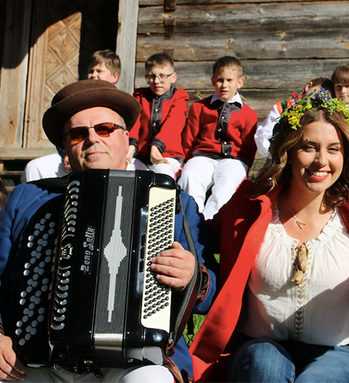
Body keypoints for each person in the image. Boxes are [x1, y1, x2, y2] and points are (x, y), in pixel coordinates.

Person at [0, 80, 216, 383]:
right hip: (34, 362)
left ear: (126, 138)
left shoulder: (173, 201)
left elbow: (212, 294)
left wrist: (193, 275)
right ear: (65, 146)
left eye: (105, 129)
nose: (92, 140)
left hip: (136, 360)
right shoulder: (27, 198)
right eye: (78, 134)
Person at [189, 89, 349, 383]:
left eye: (333, 149)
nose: (322, 160)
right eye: (309, 147)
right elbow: (201, 235)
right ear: (288, 150)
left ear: (345, 156)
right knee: (266, 368)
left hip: (338, 352)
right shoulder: (250, 205)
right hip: (258, 348)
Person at [21, 50, 122, 183]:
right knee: (34, 167)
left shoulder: (122, 103)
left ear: (115, 77)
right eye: (91, 71)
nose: (93, 75)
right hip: (74, 155)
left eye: (99, 71)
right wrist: (66, 153)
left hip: (115, 156)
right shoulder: (76, 98)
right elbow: (65, 131)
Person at [179, 56, 258, 219]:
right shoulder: (199, 107)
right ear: (213, 81)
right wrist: (184, 161)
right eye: (220, 80)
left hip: (233, 159)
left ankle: (210, 226)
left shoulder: (249, 114)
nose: (224, 85)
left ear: (240, 82)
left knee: (227, 183)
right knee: (190, 176)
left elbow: (250, 147)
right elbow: (189, 138)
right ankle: (191, 223)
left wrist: (245, 167)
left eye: (230, 80)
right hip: (202, 156)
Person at [128, 53, 188, 180]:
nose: (156, 81)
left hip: (168, 156)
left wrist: (157, 146)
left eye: (162, 76)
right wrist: (131, 147)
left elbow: (174, 123)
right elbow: (135, 121)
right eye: (151, 76)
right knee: (128, 170)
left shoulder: (179, 96)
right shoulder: (140, 95)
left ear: (173, 77)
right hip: (141, 156)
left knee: (162, 175)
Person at [254, 77, 334, 157]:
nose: (320, 98)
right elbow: (264, 135)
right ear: (308, 86)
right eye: (319, 93)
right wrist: (277, 153)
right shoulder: (284, 107)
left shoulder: (321, 115)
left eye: (326, 97)